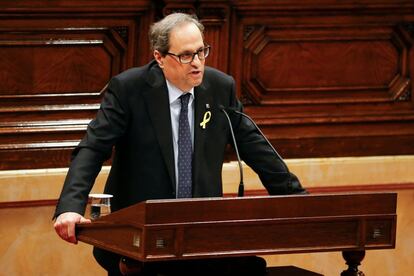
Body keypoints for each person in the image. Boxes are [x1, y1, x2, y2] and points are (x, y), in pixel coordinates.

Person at [53, 13, 306, 275]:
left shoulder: (220, 88)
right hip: (139, 239)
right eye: (186, 55)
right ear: (159, 57)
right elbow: (93, 149)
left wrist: (298, 200)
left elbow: (256, 148)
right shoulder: (130, 89)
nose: (197, 63)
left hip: (201, 239)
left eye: (201, 52)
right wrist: (70, 207)